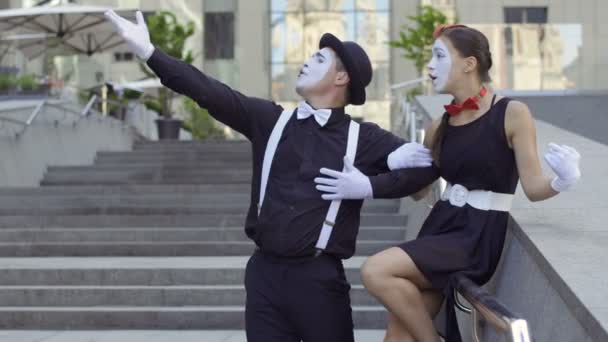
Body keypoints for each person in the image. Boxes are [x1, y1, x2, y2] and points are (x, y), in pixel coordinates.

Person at [105, 10, 437, 342]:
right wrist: (149, 53)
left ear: (341, 78)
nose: (306, 62)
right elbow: (207, 90)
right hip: (264, 275)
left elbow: (426, 169)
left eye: (319, 59)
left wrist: (369, 186)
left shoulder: (363, 137)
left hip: (318, 279)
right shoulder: (269, 120)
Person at [314, 24, 582, 342]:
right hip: (440, 227)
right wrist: (377, 175)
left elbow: (534, 187)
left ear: (469, 63)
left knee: (376, 270)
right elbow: (420, 190)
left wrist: (565, 179)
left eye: (439, 56)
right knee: (398, 335)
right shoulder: (438, 125)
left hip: (476, 237)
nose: (429, 65)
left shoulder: (512, 113)